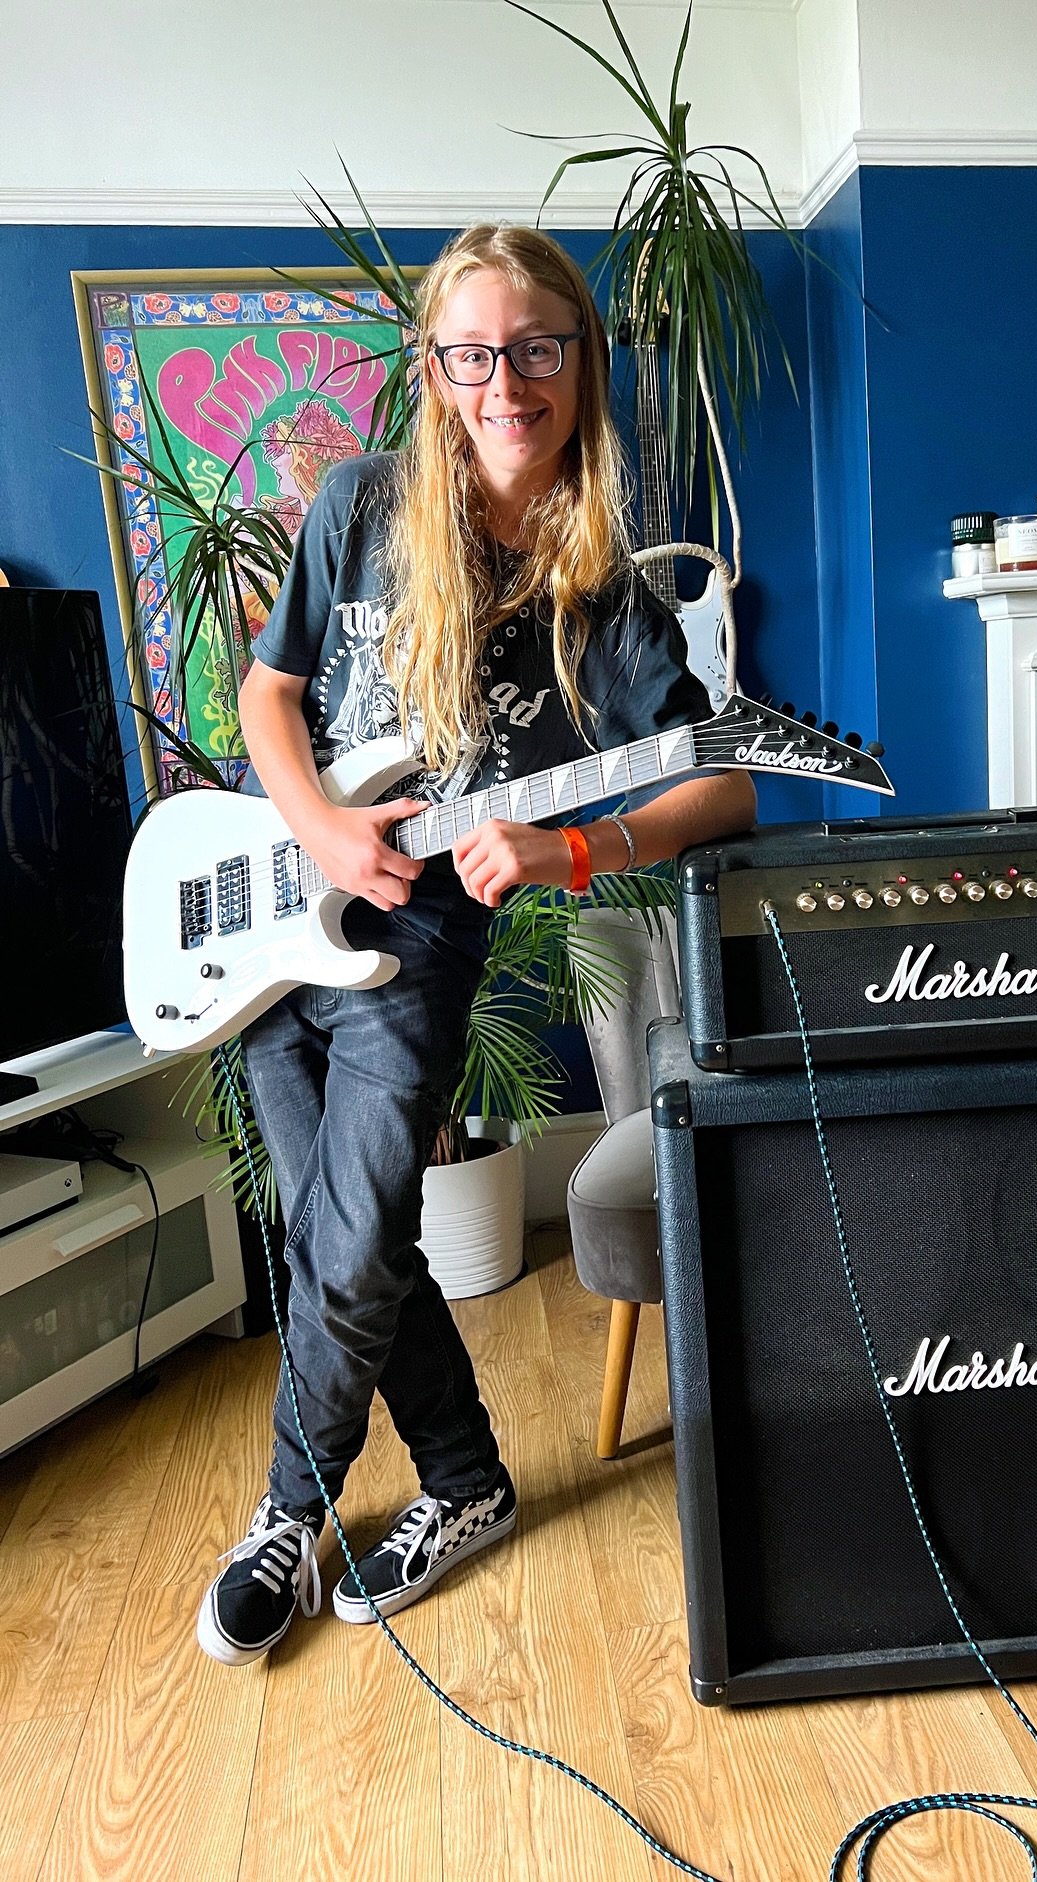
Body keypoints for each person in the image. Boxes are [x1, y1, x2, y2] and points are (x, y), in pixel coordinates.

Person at [197, 224, 755, 1665]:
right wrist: (324, 828)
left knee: (347, 1238)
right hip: (282, 908)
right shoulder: (360, 506)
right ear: (435, 367)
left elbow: (726, 785)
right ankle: (466, 1483)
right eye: (473, 353)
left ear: (581, 360)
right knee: (347, 1229)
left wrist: (575, 849)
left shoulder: (604, 593)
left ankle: (288, 1513)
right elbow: (269, 693)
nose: (506, 383)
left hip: (420, 943)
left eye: (537, 348)